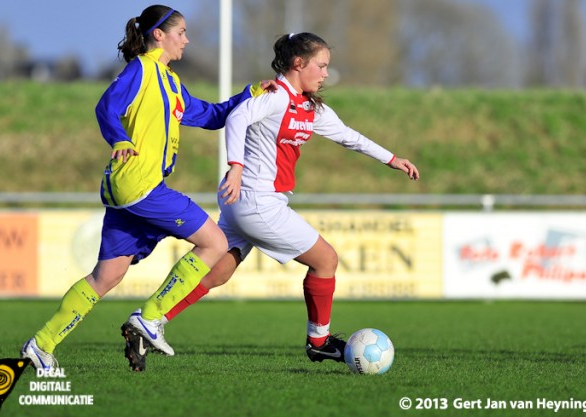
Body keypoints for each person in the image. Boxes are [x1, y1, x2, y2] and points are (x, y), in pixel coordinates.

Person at [122, 31, 419, 371]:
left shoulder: (307, 106)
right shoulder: (276, 96)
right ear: (298, 63)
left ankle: (149, 320)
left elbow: (350, 137)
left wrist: (392, 159)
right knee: (326, 260)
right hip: (257, 201)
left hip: (246, 204)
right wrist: (235, 166)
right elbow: (236, 118)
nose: (325, 74)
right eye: (321, 66)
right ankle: (319, 342)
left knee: (218, 272)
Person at [20, 4, 274, 372]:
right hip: (140, 186)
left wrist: (249, 94)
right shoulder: (140, 69)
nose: (187, 39)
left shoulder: (170, 81)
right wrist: (119, 139)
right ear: (159, 34)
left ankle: (41, 345)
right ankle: (150, 317)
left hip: (130, 190)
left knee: (106, 276)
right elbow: (106, 106)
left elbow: (210, 115)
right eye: (181, 32)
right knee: (216, 243)